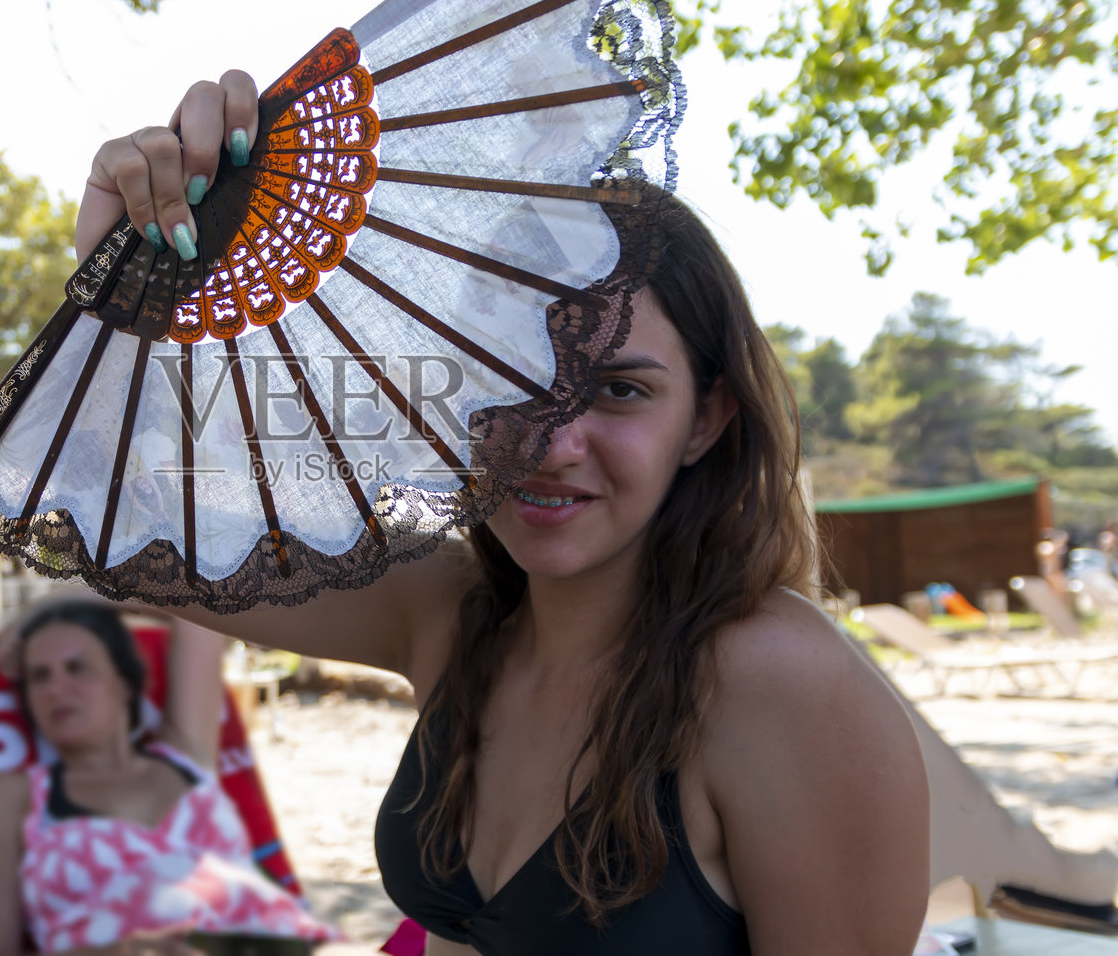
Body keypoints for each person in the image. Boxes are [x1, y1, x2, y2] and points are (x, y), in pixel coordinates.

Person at [66, 70, 932, 955]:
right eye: (507, 375)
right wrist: (124, 273)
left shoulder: (780, 683)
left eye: (619, 389)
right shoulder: (451, 616)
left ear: (706, 419)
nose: (548, 441)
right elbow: (124, 533)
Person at [0, 593, 343, 954]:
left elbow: (201, 606)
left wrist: (62, 601)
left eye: (77, 667)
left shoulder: (186, 755)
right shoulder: (12, 796)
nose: (56, 688)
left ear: (124, 681)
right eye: (40, 676)